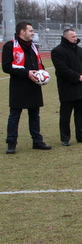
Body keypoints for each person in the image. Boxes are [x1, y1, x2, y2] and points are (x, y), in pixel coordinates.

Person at [2, 21, 51, 153]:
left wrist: (42, 74)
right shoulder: (10, 46)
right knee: (14, 115)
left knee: (35, 115)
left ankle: (37, 141)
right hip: (18, 87)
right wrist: (27, 73)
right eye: (30, 30)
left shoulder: (33, 47)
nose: (33, 33)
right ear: (22, 32)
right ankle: (11, 143)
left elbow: (38, 64)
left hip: (34, 86)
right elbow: (6, 67)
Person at [51, 28, 82, 146]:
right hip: (67, 88)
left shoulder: (80, 50)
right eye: (73, 37)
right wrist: (77, 77)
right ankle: (65, 138)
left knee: (80, 115)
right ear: (65, 37)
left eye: (75, 36)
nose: (75, 39)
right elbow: (62, 69)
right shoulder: (57, 51)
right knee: (65, 115)